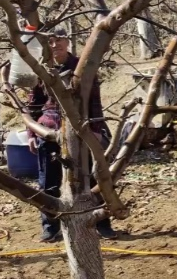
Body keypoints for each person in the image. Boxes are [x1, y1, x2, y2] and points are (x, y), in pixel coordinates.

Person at [27, 27, 116, 242]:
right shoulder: (40, 68)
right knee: (48, 182)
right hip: (49, 129)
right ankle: (50, 227)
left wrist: (97, 129)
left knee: (94, 178)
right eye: (50, 42)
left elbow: (94, 101)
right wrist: (31, 133)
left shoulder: (81, 67)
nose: (55, 45)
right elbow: (33, 104)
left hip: (82, 128)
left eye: (59, 40)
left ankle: (102, 224)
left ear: (67, 42)